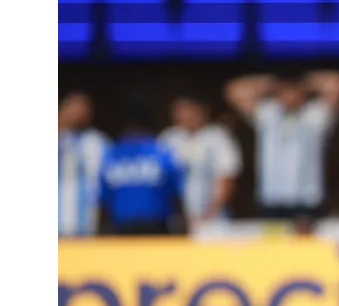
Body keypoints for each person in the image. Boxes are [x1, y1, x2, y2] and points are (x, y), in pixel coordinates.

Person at [224, 71, 339, 231]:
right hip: (272, 200)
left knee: (305, 250)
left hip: (307, 200)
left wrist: (307, 83)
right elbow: (234, 90)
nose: (290, 97)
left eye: (294, 92)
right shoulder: (267, 114)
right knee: (275, 249)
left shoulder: (315, 115)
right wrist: (270, 84)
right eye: (285, 93)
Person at [97, 101, 188, 235]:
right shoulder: (161, 152)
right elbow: (176, 195)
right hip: (146, 226)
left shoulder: (111, 154)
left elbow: (103, 201)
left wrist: (99, 232)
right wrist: (184, 227)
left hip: (139, 226)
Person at [159, 95, 243, 231]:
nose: (185, 116)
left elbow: (227, 177)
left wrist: (209, 214)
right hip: (177, 215)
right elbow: (162, 179)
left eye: (189, 111)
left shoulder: (217, 136)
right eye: (180, 112)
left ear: (201, 111)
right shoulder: (169, 138)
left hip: (213, 215)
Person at [58, 91, 110, 237]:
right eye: (72, 108)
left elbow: (106, 184)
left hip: (86, 226)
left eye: (81, 109)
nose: (76, 113)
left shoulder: (98, 142)